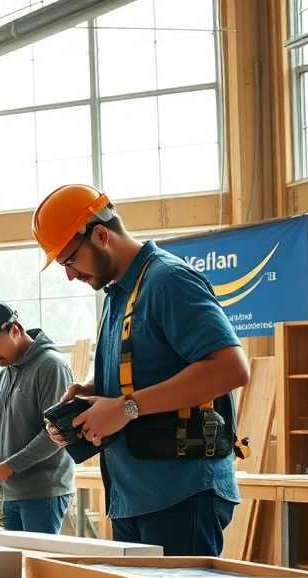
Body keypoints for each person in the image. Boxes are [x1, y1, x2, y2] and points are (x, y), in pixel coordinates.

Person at [34, 183, 249, 557]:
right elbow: (149, 373)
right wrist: (91, 396)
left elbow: (230, 368)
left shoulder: (168, 281)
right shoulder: (120, 296)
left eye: (69, 260)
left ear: (100, 235)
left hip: (180, 494)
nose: (69, 275)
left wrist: (124, 408)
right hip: (133, 495)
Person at [0, 301, 74, 533]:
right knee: (14, 567)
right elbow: (1, 429)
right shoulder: (5, 375)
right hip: (9, 492)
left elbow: (57, 432)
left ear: (15, 330)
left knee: (38, 565)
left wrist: (8, 466)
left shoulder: (51, 366)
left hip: (42, 493)